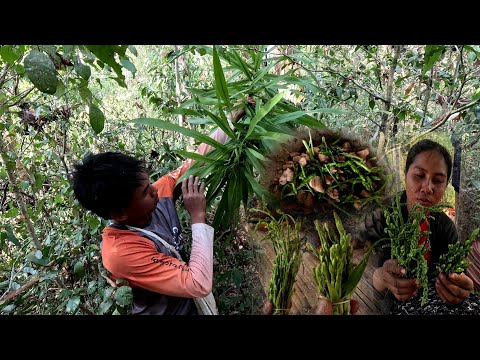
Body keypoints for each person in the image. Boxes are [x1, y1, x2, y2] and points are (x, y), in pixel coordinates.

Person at [72, 98, 253, 315]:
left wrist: (230, 120)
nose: (156, 190)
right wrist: (198, 216)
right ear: (119, 213)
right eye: (146, 192)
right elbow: (198, 283)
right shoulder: (120, 253)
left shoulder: (156, 196)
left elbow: (198, 160)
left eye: (150, 184)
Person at [360, 139, 475, 314]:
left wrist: (462, 288)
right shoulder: (379, 216)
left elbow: (459, 273)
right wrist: (379, 278)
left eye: (438, 180)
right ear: (405, 174)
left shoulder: (444, 226)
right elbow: (360, 274)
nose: (428, 188)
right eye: (419, 176)